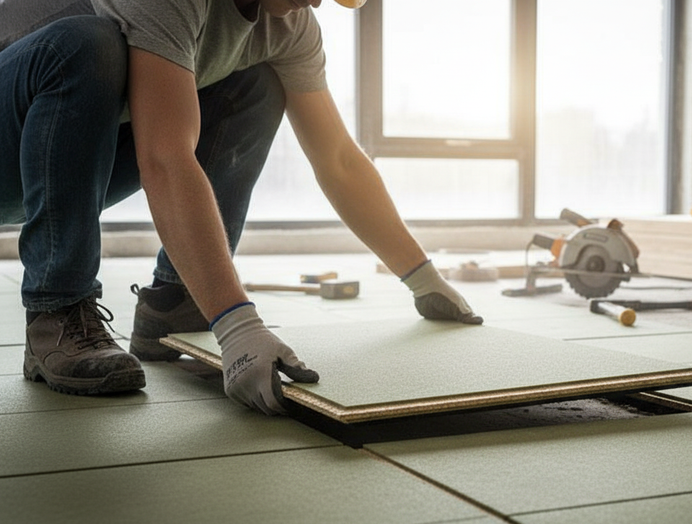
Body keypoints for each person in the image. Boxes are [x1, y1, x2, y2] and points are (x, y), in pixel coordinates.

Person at [0, 0, 482, 416]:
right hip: (10, 146)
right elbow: (165, 157)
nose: (315, 3)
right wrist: (237, 325)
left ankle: (177, 300)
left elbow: (337, 160)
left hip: (61, 156)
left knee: (257, 83)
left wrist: (423, 278)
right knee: (87, 45)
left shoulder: (287, 27)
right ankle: (57, 311)